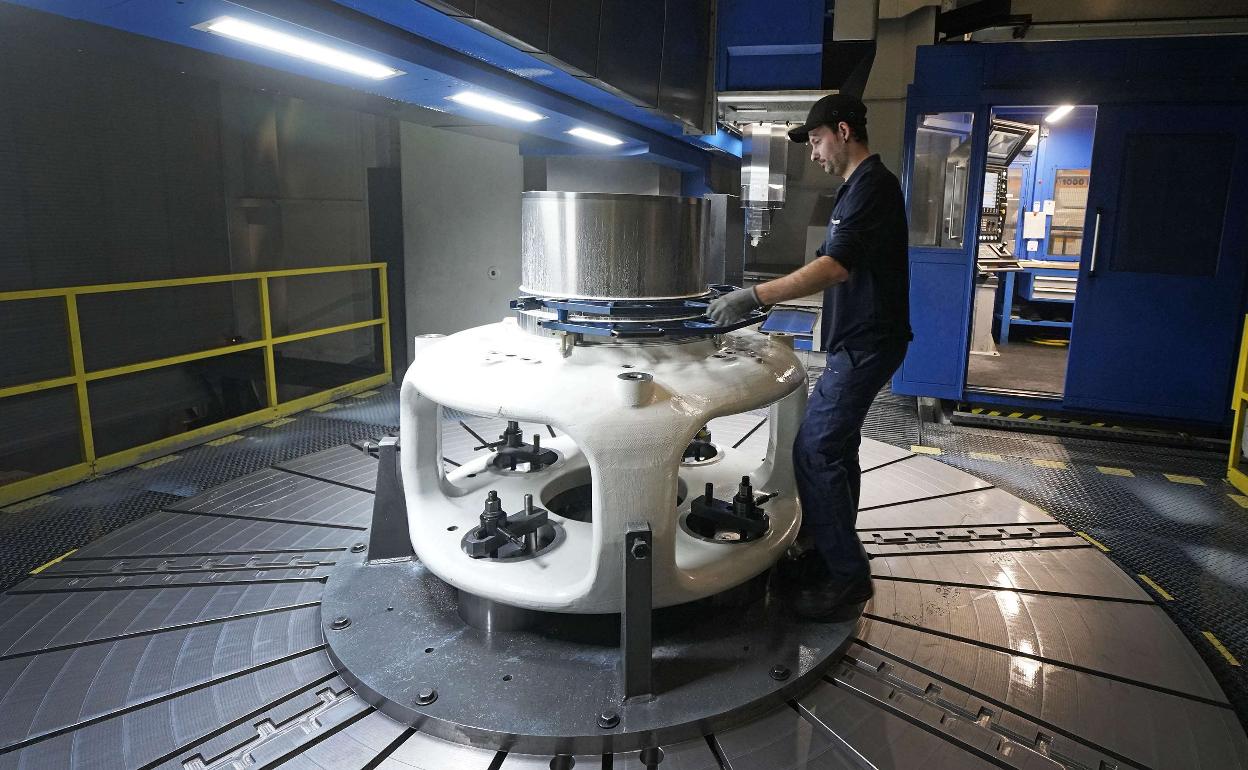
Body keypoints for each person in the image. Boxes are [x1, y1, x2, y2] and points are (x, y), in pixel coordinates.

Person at [707, 94, 912, 621]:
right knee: (838, 449)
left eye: (817, 141)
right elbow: (827, 260)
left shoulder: (874, 186)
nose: (814, 154)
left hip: (868, 342)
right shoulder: (853, 192)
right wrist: (760, 299)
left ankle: (847, 577)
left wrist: (754, 296)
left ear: (843, 131)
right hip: (857, 340)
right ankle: (829, 546)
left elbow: (836, 266)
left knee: (816, 450)